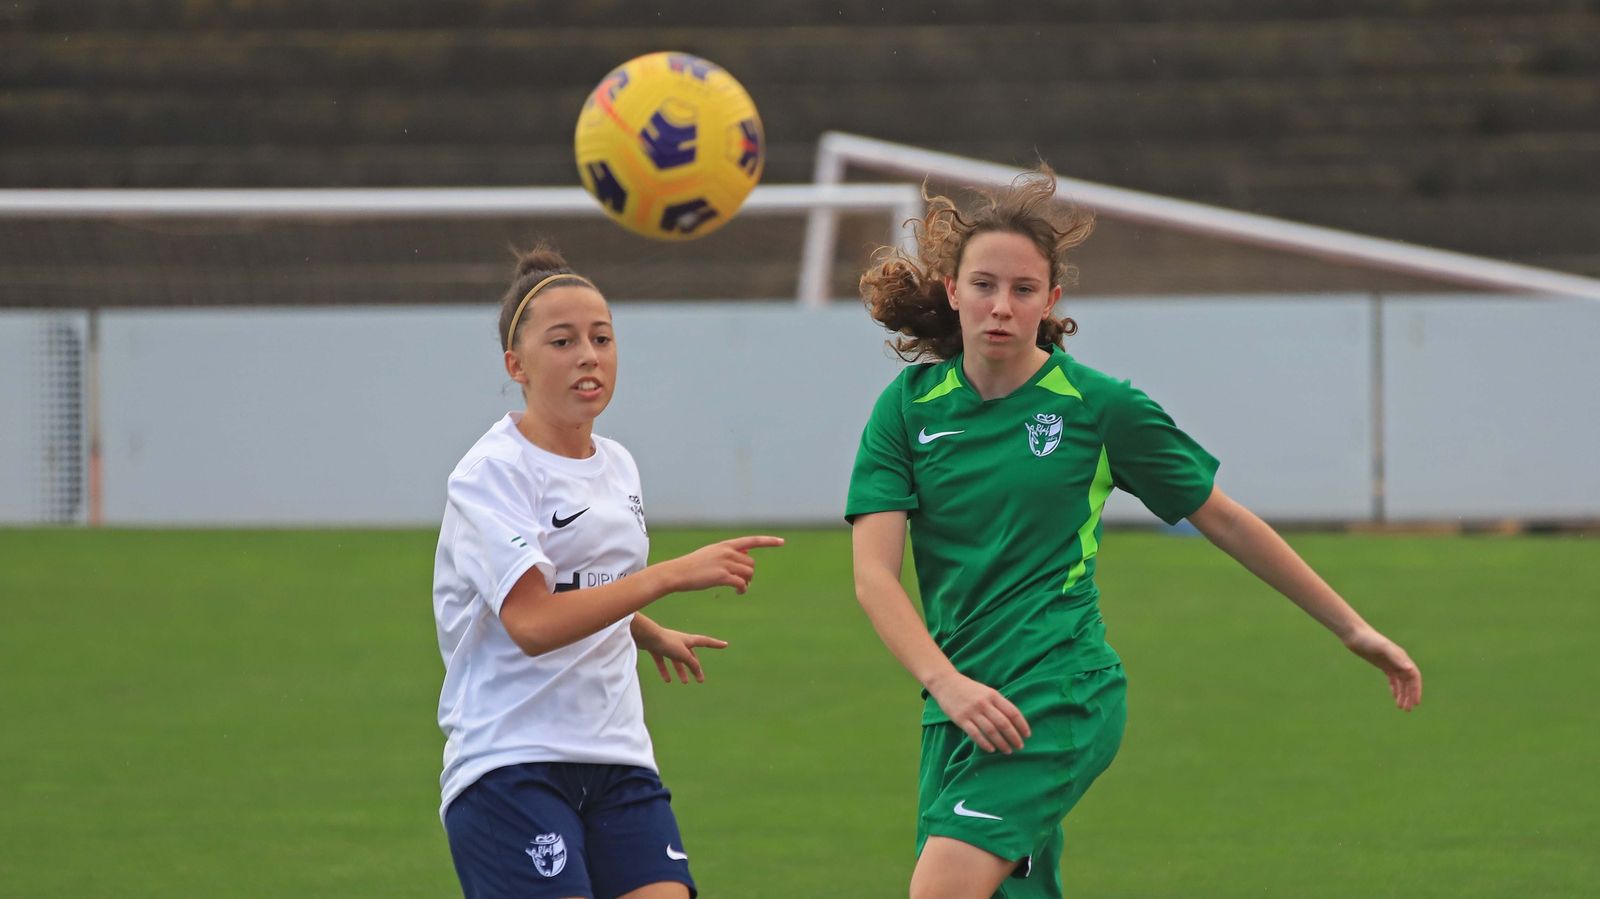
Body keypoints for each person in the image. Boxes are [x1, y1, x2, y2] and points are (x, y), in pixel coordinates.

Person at [845, 170, 1422, 899]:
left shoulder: (1098, 407)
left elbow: (1226, 520)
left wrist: (1354, 628)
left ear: (1050, 302)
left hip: (1060, 694)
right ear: (953, 290)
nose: (1001, 306)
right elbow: (874, 577)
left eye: (1023, 289)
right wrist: (946, 682)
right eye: (984, 285)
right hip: (958, 710)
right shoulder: (906, 410)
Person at [433, 245, 782, 899]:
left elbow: (580, 578)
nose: (588, 355)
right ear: (516, 364)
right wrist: (669, 575)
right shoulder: (491, 474)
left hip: (617, 754)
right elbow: (532, 620)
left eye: (601, 337)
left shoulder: (618, 463)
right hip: (512, 759)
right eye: (562, 341)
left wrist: (644, 629)